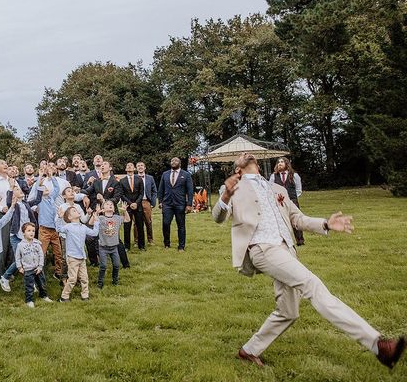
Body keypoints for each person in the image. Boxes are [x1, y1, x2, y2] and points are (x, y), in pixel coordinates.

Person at [212, 152, 406, 369]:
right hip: (262, 248)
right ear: (237, 169)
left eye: (250, 154)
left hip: (286, 250)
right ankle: (378, 345)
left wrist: (325, 224)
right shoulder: (232, 187)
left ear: (257, 163)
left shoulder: (278, 189)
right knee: (312, 285)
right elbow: (218, 217)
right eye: (241, 155)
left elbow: (297, 219)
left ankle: (249, 351)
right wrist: (226, 196)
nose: (245, 154)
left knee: (288, 311)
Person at [81, 160, 125, 267]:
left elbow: (116, 198)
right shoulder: (96, 182)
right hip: (98, 213)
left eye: (105, 164)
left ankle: (125, 263)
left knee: (115, 238)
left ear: (110, 168)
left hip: (110, 213)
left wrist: (104, 200)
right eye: (101, 165)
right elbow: (86, 191)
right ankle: (94, 262)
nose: (102, 166)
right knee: (90, 237)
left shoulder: (116, 182)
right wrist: (84, 195)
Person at [0, 181, 37, 292]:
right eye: (16, 190)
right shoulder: (13, 205)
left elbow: (37, 200)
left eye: (19, 189)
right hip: (16, 236)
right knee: (20, 260)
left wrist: (39, 183)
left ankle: (30, 283)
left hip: (27, 236)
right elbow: (8, 200)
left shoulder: (25, 203)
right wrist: (11, 188)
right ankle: (5, 278)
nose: (19, 190)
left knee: (28, 259)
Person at [56, 206, 100, 302]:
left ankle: (85, 295)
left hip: (82, 257)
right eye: (74, 211)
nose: (77, 211)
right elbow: (59, 228)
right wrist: (59, 217)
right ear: (70, 217)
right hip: (72, 257)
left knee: (84, 278)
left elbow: (94, 233)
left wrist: (96, 221)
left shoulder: (83, 227)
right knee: (72, 279)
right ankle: (64, 296)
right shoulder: (68, 227)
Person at [30, 172, 64, 280]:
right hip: (44, 230)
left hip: (54, 230)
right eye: (43, 188)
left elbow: (57, 188)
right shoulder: (39, 201)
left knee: (58, 253)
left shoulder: (52, 198)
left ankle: (58, 272)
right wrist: (39, 181)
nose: (46, 189)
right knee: (41, 253)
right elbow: (33, 197)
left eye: (46, 188)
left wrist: (51, 177)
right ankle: (37, 275)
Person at [157, 157, 194, 251]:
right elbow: (161, 189)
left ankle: (181, 246)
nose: (173, 162)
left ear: (180, 163)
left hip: (180, 204)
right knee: (165, 223)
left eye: (176, 161)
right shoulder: (165, 174)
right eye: (172, 161)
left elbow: (190, 190)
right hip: (167, 204)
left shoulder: (186, 175)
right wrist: (160, 201)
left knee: (181, 225)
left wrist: (189, 204)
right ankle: (166, 244)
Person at [15, 222, 53, 308]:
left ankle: (44, 296)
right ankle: (29, 300)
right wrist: (19, 267)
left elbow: (41, 255)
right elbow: (17, 258)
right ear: (23, 233)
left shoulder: (37, 243)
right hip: (28, 269)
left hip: (38, 268)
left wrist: (40, 266)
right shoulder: (20, 245)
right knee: (29, 286)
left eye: (33, 230)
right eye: (29, 231)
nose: (32, 232)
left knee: (42, 284)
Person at [270, 157, 305, 246]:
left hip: (293, 200)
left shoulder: (294, 175)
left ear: (287, 164)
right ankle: (284, 241)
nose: (280, 163)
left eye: (282, 162)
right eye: (278, 162)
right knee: (281, 221)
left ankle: (300, 241)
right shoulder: (274, 176)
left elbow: (298, 190)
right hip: (279, 202)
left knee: (296, 220)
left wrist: (291, 198)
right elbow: (270, 189)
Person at [96, 200, 129, 288]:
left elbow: (127, 219)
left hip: (114, 247)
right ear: (103, 209)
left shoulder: (117, 218)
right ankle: (100, 282)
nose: (110, 205)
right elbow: (92, 222)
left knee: (116, 265)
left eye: (112, 204)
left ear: (114, 209)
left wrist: (125, 211)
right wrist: (97, 213)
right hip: (103, 247)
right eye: (107, 204)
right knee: (103, 266)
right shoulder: (100, 218)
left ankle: (115, 280)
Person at [119, 162, 145, 250]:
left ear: (134, 169)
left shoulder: (139, 179)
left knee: (140, 226)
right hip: (127, 206)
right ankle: (127, 246)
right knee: (127, 226)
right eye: (127, 166)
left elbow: (141, 193)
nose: (129, 167)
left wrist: (136, 203)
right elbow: (122, 194)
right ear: (126, 169)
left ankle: (141, 245)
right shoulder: (122, 181)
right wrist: (130, 204)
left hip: (138, 206)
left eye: (131, 166)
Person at [136, 161, 157, 245]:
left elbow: (154, 191)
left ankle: (150, 239)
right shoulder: (133, 177)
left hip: (146, 201)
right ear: (136, 168)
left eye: (142, 165)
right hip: (137, 202)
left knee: (148, 221)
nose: (140, 167)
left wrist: (153, 202)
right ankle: (137, 241)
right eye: (138, 166)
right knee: (136, 222)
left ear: (145, 168)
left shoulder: (150, 178)